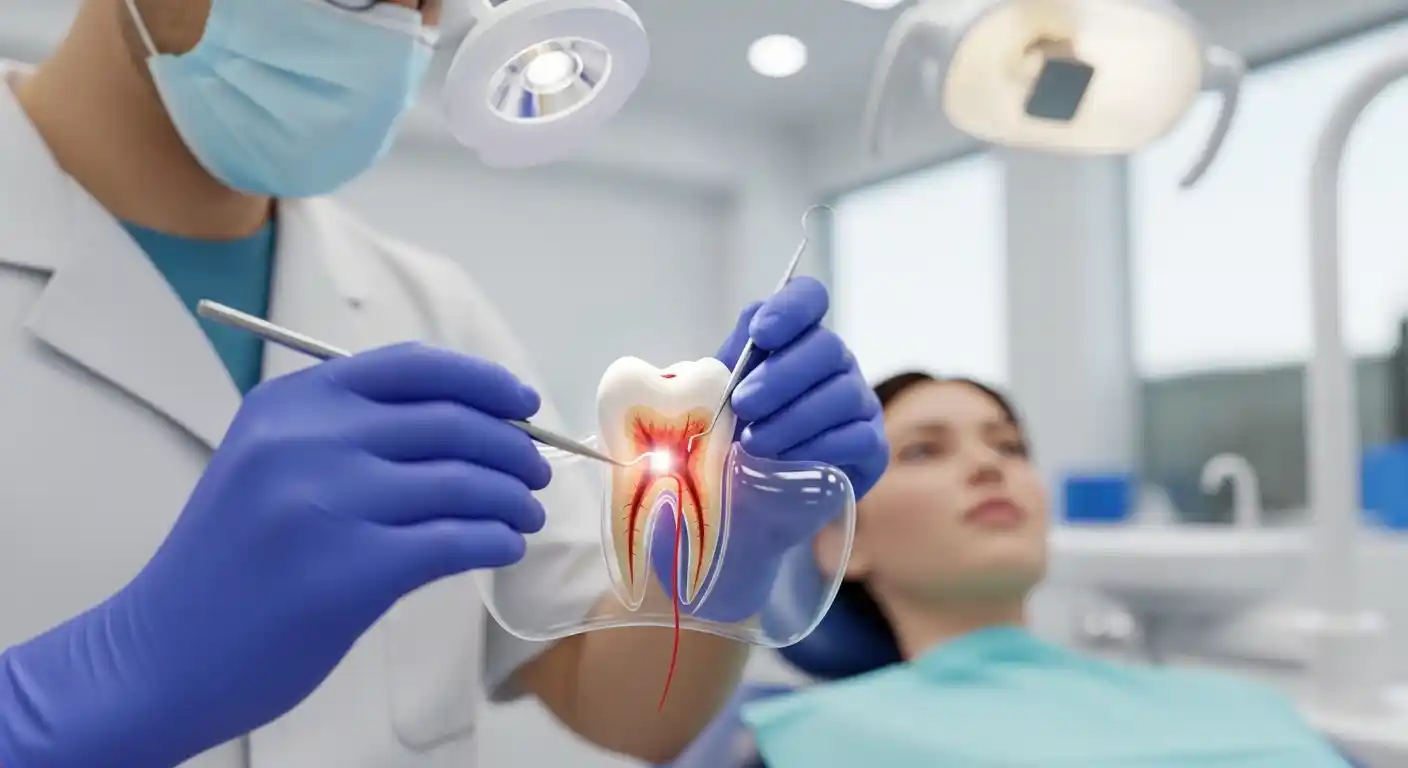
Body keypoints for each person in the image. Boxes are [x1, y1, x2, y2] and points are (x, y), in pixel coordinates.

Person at [0, 1, 891, 767]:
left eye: (431, 2)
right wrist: (85, 690)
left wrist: (722, 557)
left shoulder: (427, 307)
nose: (401, 31)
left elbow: (625, 706)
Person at [721, 372, 1352, 767]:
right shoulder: (809, 741)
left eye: (1009, 446)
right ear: (840, 545)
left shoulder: (1238, 703)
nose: (989, 466)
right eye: (923, 451)